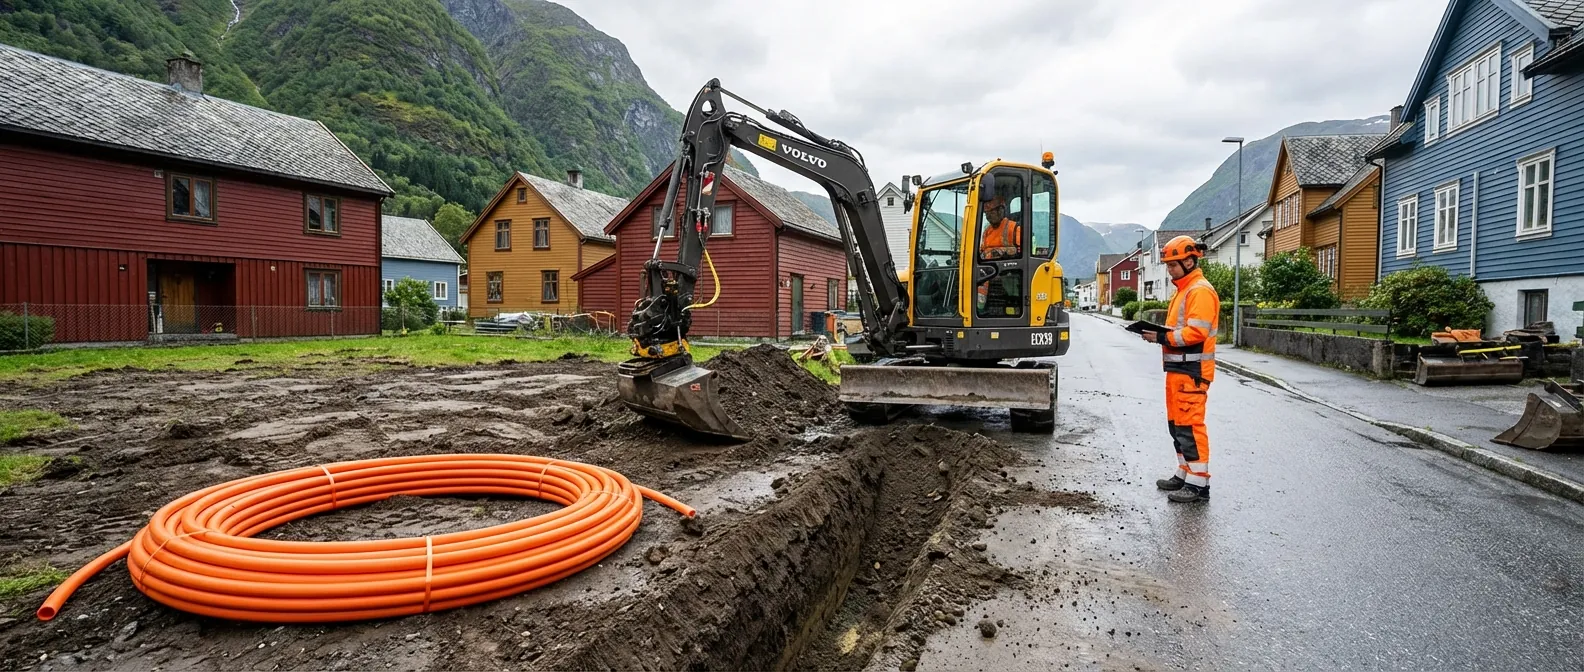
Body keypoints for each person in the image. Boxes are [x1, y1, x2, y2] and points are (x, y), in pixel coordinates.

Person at [1138, 235, 1220, 503]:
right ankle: (1184, 473)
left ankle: (1199, 486)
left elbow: (1196, 332)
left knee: (1190, 426)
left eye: (1173, 265)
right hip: (1179, 371)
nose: (1169, 270)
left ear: (1188, 261)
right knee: (1177, 426)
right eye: (1168, 265)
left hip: (1192, 371)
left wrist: (1161, 337)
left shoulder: (1199, 291)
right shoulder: (1184, 290)